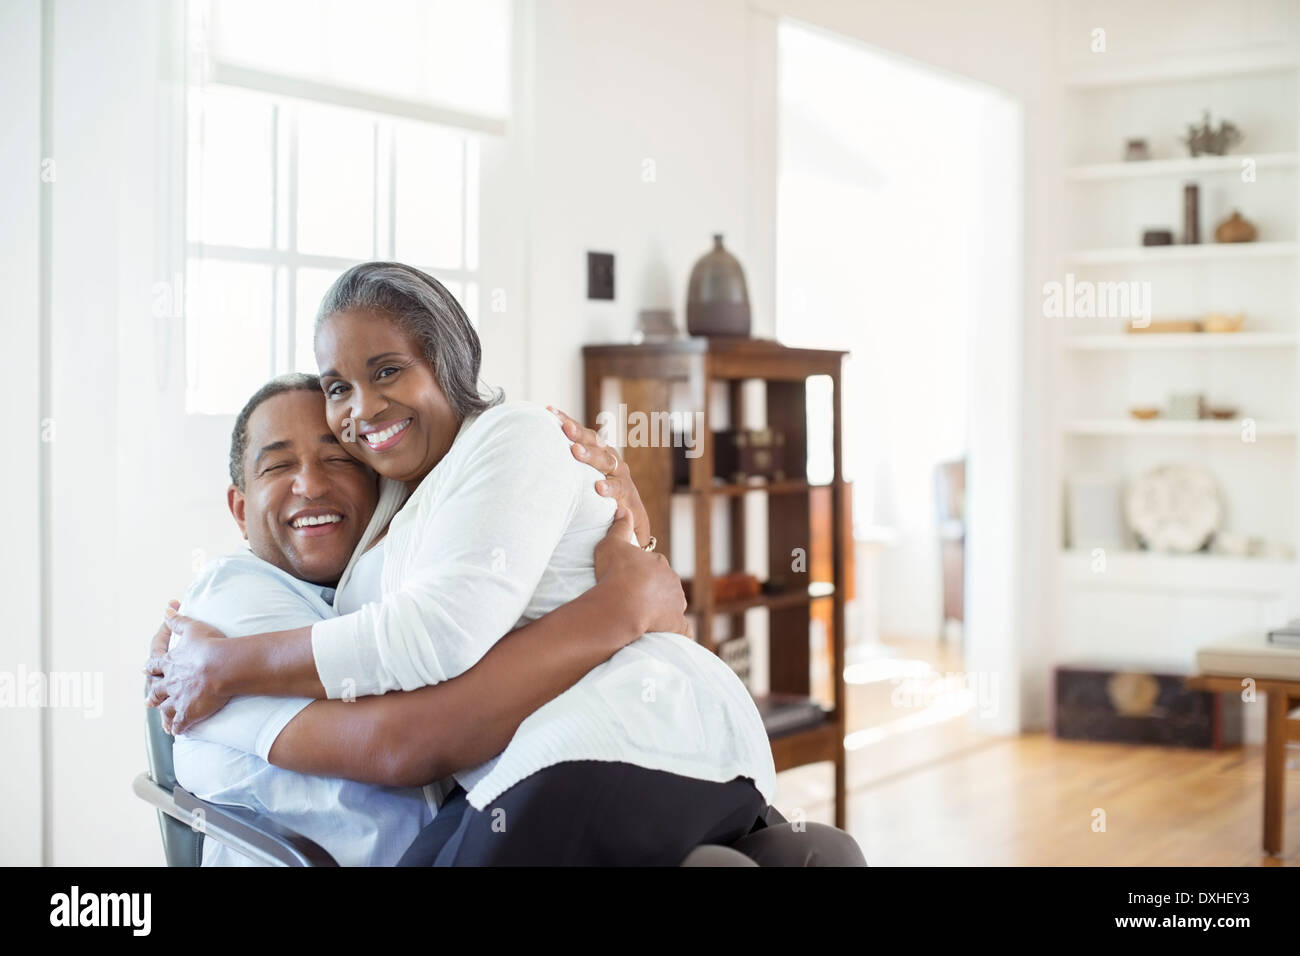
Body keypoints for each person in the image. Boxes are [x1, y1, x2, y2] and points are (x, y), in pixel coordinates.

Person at [149, 261, 778, 865]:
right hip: (509, 769)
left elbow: (433, 639)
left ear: (448, 364)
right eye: (339, 387)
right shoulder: (391, 503)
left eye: (388, 370)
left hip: (621, 741)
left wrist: (226, 664)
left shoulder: (514, 435)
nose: (361, 409)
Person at [153, 373, 678, 865]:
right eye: (278, 466)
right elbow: (402, 743)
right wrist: (619, 611)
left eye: (339, 460)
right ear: (240, 510)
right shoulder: (232, 604)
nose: (311, 485)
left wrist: (622, 521)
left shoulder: (375, 593)